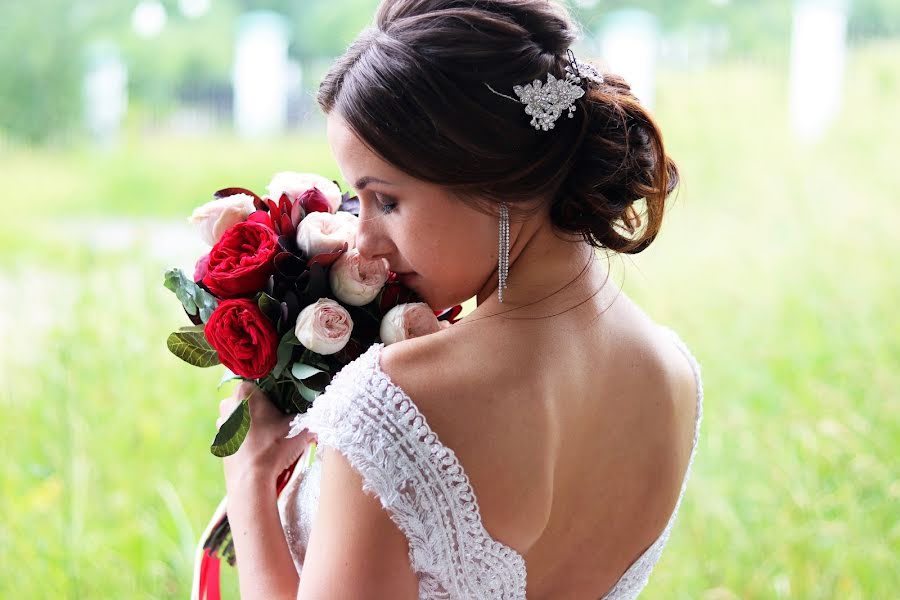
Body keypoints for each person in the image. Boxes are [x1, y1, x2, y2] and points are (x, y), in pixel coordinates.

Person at [216, 1, 703, 598]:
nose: (363, 241)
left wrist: (249, 483)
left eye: (387, 201)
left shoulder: (395, 409)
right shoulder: (674, 373)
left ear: (490, 179)